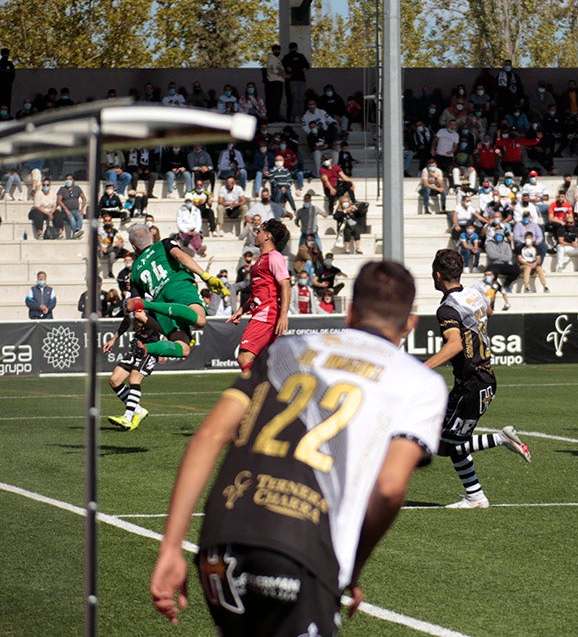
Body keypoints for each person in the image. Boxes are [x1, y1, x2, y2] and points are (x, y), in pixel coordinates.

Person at [150, 261, 447, 634]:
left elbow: (209, 436)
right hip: (302, 549)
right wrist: (352, 568)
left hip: (222, 543)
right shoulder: (421, 383)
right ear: (410, 324)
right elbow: (389, 487)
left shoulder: (285, 352)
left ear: (350, 311)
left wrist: (170, 546)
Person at [424, 249, 531, 508]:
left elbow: (454, 346)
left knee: (444, 445)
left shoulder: (447, 309)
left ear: (437, 275)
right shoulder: (474, 293)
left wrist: (422, 368)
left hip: (472, 383)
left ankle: (500, 440)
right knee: (451, 440)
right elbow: (489, 312)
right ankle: (476, 496)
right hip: (481, 379)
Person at [125, 225, 227, 359]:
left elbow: (139, 315)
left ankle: (145, 348)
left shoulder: (133, 274)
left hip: (161, 304)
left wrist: (166, 331)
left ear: (134, 246)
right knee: (200, 320)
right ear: (151, 236)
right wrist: (206, 276)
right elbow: (181, 257)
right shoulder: (164, 244)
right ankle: (147, 304)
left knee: (183, 348)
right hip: (178, 286)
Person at [226, 219, 291, 373]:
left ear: (268, 236)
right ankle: (271, 393)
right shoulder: (262, 260)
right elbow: (258, 293)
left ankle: (254, 394)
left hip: (267, 314)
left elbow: (286, 285)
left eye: (259, 231)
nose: (256, 234)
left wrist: (283, 316)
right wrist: (241, 310)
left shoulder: (274, 257)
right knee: (264, 362)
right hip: (262, 312)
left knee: (245, 357)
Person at [102, 314, 159, 431]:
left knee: (134, 379)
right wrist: (113, 339)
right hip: (136, 347)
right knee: (115, 380)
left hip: (151, 347)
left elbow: (165, 322)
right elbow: (127, 320)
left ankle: (127, 418)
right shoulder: (130, 301)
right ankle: (138, 410)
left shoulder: (151, 300)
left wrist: (166, 345)